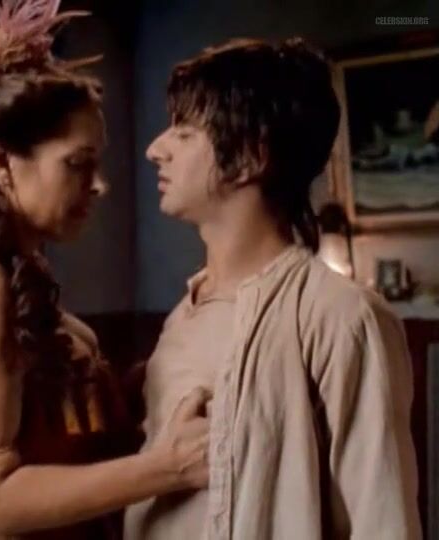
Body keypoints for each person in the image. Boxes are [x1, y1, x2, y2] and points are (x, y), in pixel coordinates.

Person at [0, 1, 211, 538]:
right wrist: (166, 468)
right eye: (78, 164)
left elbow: (49, 425)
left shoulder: (4, 272)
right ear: (3, 163)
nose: (98, 186)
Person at [124, 37, 421, 539]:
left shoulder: (341, 316)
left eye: (185, 132)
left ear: (250, 157)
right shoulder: (182, 317)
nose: (156, 149)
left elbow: (382, 519)